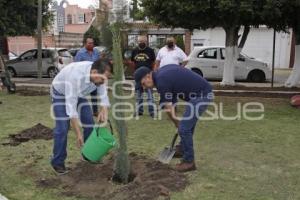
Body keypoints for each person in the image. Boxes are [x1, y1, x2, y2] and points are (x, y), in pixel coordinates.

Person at [134, 65, 213, 172]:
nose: (144, 88)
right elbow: (172, 98)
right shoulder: (161, 75)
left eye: (143, 84)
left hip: (202, 95)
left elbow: (168, 106)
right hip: (198, 94)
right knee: (186, 126)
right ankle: (182, 148)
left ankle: (189, 162)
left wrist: (177, 123)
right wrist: (177, 121)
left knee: (184, 128)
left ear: (148, 76)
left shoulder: (161, 81)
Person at [50, 59, 111, 175]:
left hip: (79, 94)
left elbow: (103, 94)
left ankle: (88, 154)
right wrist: (78, 134)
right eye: (102, 79)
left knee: (89, 123)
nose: (104, 81)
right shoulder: (75, 77)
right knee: (62, 128)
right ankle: (57, 162)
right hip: (60, 93)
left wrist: (104, 110)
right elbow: (71, 110)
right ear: (94, 72)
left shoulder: (99, 77)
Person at [131, 35, 156, 118]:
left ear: (146, 41)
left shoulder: (150, 51)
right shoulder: (134, 51)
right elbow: (133, 63)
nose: (141, 43)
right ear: (137, 42)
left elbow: (153, 63)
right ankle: (139, 111)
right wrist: (134, 72)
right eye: (140, 41)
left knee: (149, 95)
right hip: (138, 76)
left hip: (148, 76)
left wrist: (151, 73)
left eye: (143, 41)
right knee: (138, 95)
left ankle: (152, 112)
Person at [75, 37, 100, 116]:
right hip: (83, 78)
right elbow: (76, 66)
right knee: (80, 95)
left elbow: (98, 62)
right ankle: (76, 111)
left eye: (92, 43)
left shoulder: (96, 52)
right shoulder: (80, 53)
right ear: (85, 43)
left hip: (93, 77)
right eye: (89, 43)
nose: (91, 44)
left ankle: (95, 111)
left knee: (94, 94)